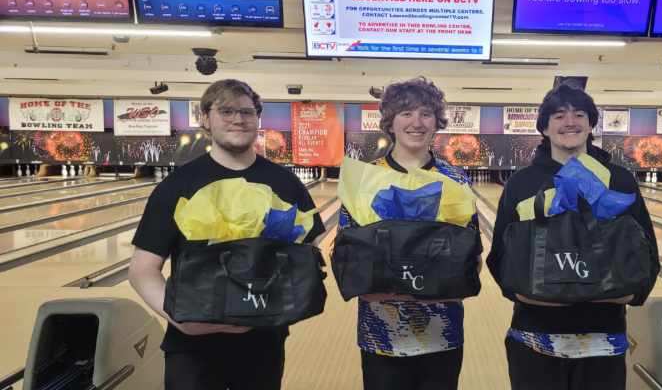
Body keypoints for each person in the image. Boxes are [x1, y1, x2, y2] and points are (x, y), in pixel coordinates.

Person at [128, 79, 325, 390]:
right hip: (191, 347)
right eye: (226, 110)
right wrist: (183, 321)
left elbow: (309, 255)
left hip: (263, 341)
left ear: (258, 118)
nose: (238, 119)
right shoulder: (176, 186)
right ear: (205, 118)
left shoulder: (286, 183)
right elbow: (142, 270)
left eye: (247, 112)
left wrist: (288, 304)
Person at [487, 85, 659, 390]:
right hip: (534, 337)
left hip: (603, 338)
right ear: (544, 126)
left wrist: (630, 294)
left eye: (579, 114)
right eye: (558, 115)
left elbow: (646, 254)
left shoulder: (618, 179)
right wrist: (527, 292)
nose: (570, 122)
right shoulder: (522, 183)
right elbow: (500, 257)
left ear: (590, 124)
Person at [338, 77, 480, 390]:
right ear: (390, 122)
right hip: (380, 333)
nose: (416, 122)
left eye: (425, 113)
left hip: (442, 333)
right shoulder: (366, 177)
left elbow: (471, 254)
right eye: (406, 113)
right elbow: (348, 256)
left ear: (436, 122)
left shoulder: (455, 178)